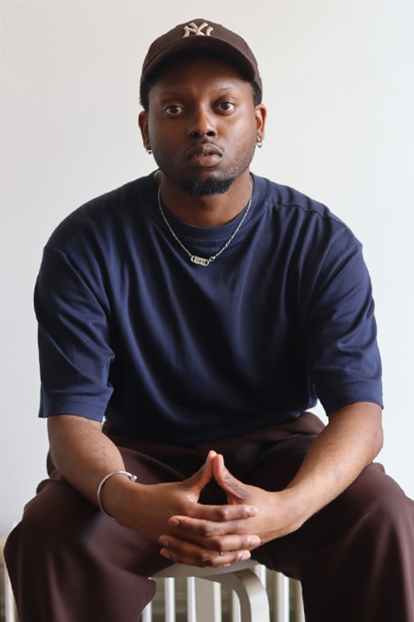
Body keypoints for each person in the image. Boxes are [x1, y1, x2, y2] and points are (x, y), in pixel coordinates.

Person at [4, 17, 414, 622]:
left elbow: (361, 413)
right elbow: (72, 424)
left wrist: (291, 507)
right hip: (139, 458)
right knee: (50, 532)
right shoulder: (84, 244)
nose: (202, 123)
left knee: (383, 513)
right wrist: (131, 500)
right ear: (146, 129)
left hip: (279, 455)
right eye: (175, 108)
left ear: (260, 121)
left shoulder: (320, 241)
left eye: (224, 104)